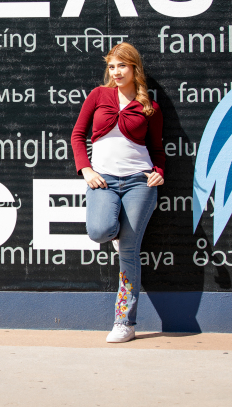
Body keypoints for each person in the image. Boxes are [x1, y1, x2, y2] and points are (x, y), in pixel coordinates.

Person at [70, 42, 164, 343]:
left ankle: (125, 322)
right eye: (112, 66)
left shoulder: (150, 107)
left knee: (129, 252)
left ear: (134, 68)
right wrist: (86, 169)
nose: (116, 71)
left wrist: (158, 172)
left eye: (122, 65)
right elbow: (77, 135)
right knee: (99, 231)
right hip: (103, 180)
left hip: (139, 182)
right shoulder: (98, 95)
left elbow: (157, 149)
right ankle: (119, 235)